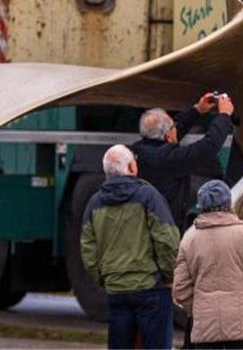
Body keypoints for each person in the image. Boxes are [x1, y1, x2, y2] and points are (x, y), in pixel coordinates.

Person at [81, 144, 181, 350]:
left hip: (117, 290)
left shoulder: (95, 202)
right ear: (132, 168)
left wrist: (104, 279)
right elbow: (167, 240)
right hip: (151, 288)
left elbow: (88, 249)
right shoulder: (148, 196)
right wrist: (170, 276)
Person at [174, 180, 243, 349]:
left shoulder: (189, 240)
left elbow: (180, 289)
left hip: (206, 325)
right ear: (228, 203)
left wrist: (198, 309)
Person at [131, 92, 236, 230]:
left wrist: (198, 109)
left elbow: (173, 134)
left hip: (148, 221)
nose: (177, 125)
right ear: (168, 136)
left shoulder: (142, 149)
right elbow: (208, 146)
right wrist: (224, 116)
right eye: (173, 125)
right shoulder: (168, 160)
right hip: (166, 228)